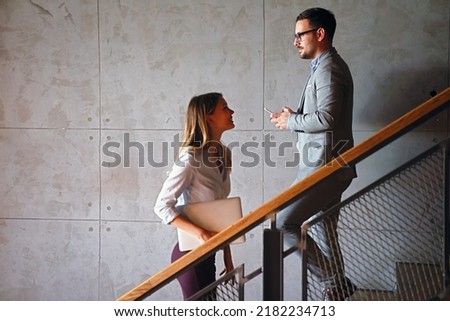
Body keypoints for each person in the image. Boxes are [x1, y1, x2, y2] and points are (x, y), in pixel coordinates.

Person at [270, 7, 357, 300]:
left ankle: (334, 281)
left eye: (300, 35)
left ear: (319, 34)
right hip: (330, 164)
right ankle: (335, 287)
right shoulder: (324, 65)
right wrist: (295, 117)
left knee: (281, 223)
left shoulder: (328, 67)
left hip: (325, 167)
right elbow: (324, 117)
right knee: (324, 229)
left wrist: (291, 121)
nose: (295, 41)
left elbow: (328, 118)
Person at [154, 92, 235, 300]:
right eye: (225, 108)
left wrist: (227, 256)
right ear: (209, 117)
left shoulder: (224, 154)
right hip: (190, 255)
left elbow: (220, 210)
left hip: (210, 253)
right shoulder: (190, 158)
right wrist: (202, 235)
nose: (232, 111)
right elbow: (162, 206)